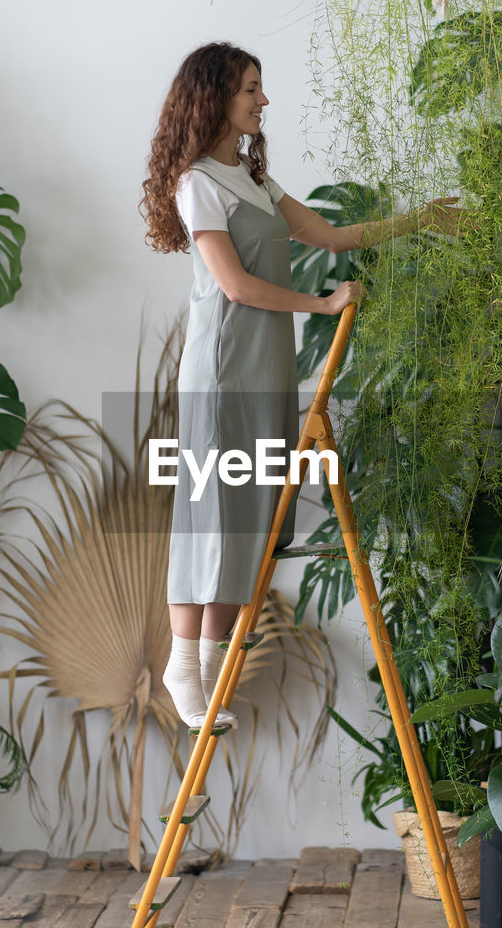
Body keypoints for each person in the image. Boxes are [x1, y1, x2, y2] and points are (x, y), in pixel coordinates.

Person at [141, 41, 465, 729]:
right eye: (251, 89)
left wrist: (421, 218)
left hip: (265, 368)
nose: (262, 100)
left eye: (260, 88)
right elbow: (231, 285)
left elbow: (331, 235)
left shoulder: (254, 181)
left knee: (251, 517)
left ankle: (203, 664)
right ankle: (183, 663)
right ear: (216, 97)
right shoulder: (199, 181)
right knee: (212, 511)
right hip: (224, 368)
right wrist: (320, 306)